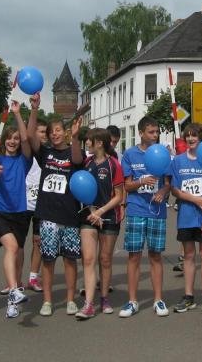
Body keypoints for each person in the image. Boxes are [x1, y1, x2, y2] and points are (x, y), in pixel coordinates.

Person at [26, 95, 84, 318]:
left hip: (69, 215)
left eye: (58, 130)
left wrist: (76, 137)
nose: (55, 134)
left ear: (65, 132)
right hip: (48, 216)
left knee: (70, 260)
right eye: (51, 132)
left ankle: (70, 300)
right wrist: (34, 109)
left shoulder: (73, 151)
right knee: (48, 261)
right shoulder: (46, 153)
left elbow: (77, 161)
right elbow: (30, 136)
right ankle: (48, 301)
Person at [0, 102, 33, 319]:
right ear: (4, 140)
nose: (13, 141)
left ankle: (13, 301)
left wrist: (17, 114)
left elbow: (26, 139)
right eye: (9, 138)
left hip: (20, 214)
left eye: (16, 139)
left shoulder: (24, 161)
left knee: (18, 255)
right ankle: (13, 290)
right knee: (12, 248)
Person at [119, 116, 171, 318]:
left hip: (157, 211)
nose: (155, 135)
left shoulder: (163, 153)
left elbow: (168, 183)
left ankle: (158, 299)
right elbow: (127, 185)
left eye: (157, 132)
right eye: (151, 132)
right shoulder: (130, 154)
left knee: (156, 256)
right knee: (134, 256)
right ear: (141, 133)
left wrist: (163, 192)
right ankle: (132, 301)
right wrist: (142, 181)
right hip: (136, 210)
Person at [170, 124, 202, 316]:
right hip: (186, 216)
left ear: (201, 138)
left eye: (194, 136)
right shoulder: (178, 161)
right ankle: (189, 296)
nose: (191, 139)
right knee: (189, 255)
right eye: (188, 136)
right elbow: (175, 190)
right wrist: (194, 199)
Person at [78, 128, 124, 319]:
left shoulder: (114, 164)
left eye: (89, 140)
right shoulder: (86, 163)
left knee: (105, 259)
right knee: (88, 259)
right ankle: (88, 304)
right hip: (89, 216)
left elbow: (119, 195)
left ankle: (104, 298)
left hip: (109, 216)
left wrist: (100, 212)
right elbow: (82, 189)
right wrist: (92, 211)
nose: (87, 143)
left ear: (99, 143)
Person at [24, 121, 47, 293]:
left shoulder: (48, 153)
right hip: (23, 204)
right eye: (41, 132)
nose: (45, 135)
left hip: (41, 205)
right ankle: (14, 281)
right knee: (17, 244)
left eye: (46, 132)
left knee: (38, 242)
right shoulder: (25, 153)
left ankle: (33, 277)